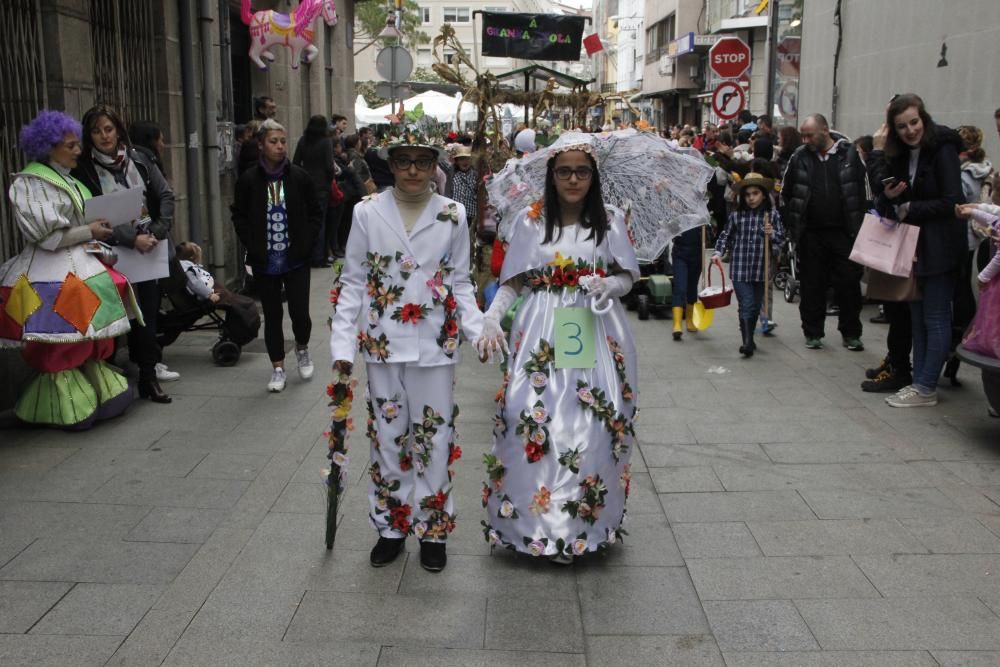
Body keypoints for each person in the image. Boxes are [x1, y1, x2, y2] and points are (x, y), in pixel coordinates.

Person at [476, 141, 640, 564]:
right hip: (540, 332)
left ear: (593, 176)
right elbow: (513, 281)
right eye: (564, 171)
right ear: (551, 175)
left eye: (581, 172)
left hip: (594, 327)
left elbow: (627, 276)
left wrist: (609, 285)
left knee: (590, 423)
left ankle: (578, 528)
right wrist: (491, 318)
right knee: (528, 417)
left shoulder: (610, 221)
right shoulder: (532, 222)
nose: (572, 179)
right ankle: (532, 525)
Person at [329, 135, 484, 572]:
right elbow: (354, 281)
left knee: (434, 437)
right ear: (391, 165)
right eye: (403, 162)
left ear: (435, 166)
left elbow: (461, 283)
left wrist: (478, 330)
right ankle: (392, 526)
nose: (412, 170)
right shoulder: (366, 212)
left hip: (435, 344)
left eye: (421, 162)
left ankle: (433, 528)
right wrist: (342, 345)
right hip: (382, 344)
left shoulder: (452, 215)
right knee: (388, 436)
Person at [0, 110, 135, 428]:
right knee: (58, 338)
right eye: (71, 145)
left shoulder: (70, 179)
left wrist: (96, 228)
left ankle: (94, 390)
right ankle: (62, 401)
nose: (78, 150)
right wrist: (90, 231)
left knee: (86, 335)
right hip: (49, 275)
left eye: (77, 144)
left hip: (81, 265)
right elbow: (47, 238)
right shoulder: (30, 184)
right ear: (49, 147)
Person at [73, 104, 178, 401]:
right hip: (109, 253)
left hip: (149, 252)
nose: (104, 136)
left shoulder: (140, 158)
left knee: (146, 316)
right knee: (110, 316)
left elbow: (165, 195)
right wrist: (132, 239)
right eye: (96, 131)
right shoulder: (84, 169)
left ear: (118, 129)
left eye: (108, 129)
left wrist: (156, 231)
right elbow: (89, 213)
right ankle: (108, 380)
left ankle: (148, 377)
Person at [874, 94, 966, 408]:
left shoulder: (943, 148)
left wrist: (910, 207)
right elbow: (885, 199)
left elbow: (952, 201)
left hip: (939, 245)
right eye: (902, 127)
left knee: (936, 316)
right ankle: (921, 383)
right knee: (917, 315)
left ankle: (926, 387)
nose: (910, 130)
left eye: (914, 122)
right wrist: (888, 195)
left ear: (923, 118)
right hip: (912, 246)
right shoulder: (899, 155)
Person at [232, 119, 322, 393]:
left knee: (300, 313)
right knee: (272, 315)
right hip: (265, 260)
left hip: (295, 257)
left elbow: (315, 211)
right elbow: (240, 215)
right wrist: (251, 243)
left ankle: (303, 349)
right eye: (273, 141)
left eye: (283, 141)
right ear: (261, 144)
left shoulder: (298, 176)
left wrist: (306, 243)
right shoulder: (249, 179)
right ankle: (278, 367)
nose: (280, 146)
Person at [781, 113, 868, 351]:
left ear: (825, 131)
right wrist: (792, 222)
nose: (805, 139)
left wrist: (862, 224)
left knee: (849, 284)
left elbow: (864, 191)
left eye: (809, 135)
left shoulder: (850, 154)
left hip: (844, 232)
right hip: (811, 234)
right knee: (811, 285)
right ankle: (813, 332)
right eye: (803, 135)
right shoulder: (799, 157)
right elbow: (786, 193)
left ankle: (851, 333)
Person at [712, 173, 785, 357]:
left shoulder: (771, 215)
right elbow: (725, 236)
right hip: (740, 268)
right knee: (747, 303)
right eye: (747, 194)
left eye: (755, 193)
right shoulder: (737, 216)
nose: (751, 198)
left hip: (761, 270)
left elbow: (781, 240)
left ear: (763, 195)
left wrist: (772, 233)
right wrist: (718, 253)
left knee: (754, 306)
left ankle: (749, 337)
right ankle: (747, 342)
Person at [292, 115, 337, 268]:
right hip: (321, 185)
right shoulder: (325, 142)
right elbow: (329, 166)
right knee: (320, 221)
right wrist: (330, 180)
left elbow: (296, 162)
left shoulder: (303, 141)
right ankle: (319, 257)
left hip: (305, 184)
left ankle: (307, 254)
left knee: (306, 220)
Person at [671, 225, 703, 341]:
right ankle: (677, 323)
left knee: (692, 287)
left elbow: (711, 235)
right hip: (680, 254)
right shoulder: (676, 214)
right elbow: (669, 233)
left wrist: (706, 229)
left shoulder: (702, 215)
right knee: (680, 287)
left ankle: (690, 319)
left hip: (697, 254)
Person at [447, 144, 478, 227]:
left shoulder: (475, 175)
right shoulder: (452, 174)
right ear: (457, 161)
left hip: (471, 215)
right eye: (461, 159)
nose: (465, 162)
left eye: (467, 159)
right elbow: (448, 193)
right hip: (455, 214)